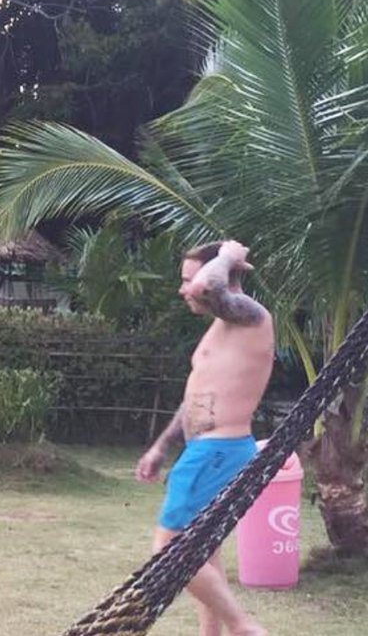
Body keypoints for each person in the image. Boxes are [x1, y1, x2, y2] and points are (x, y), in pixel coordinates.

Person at [135, 240, 271, 636]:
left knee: (170, 549)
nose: (184, 290)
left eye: (187, 279)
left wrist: (227, 256)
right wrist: (162, 446)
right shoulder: (222, 328)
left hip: (218, 451)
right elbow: (195, 397)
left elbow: (205, 288)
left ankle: (243, 628)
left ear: (223, 275)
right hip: (206, 450)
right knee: (203, 552)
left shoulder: (251, 316)